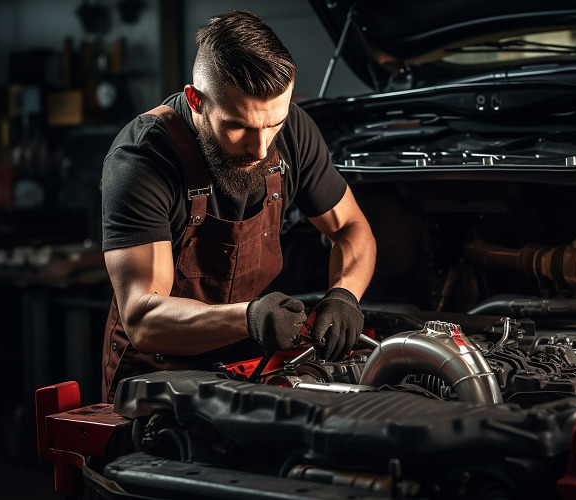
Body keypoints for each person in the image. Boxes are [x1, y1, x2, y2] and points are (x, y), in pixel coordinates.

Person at [99, 10, 376, 403]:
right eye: (238, 127)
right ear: (196, 101)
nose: (261, 148)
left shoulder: (293, 131)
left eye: (273, 124)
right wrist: (249, 318)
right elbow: (143, 316)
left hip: (251, 369)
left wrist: (345, 294)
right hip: (157, 381)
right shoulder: (142, 159)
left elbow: (351, 227)